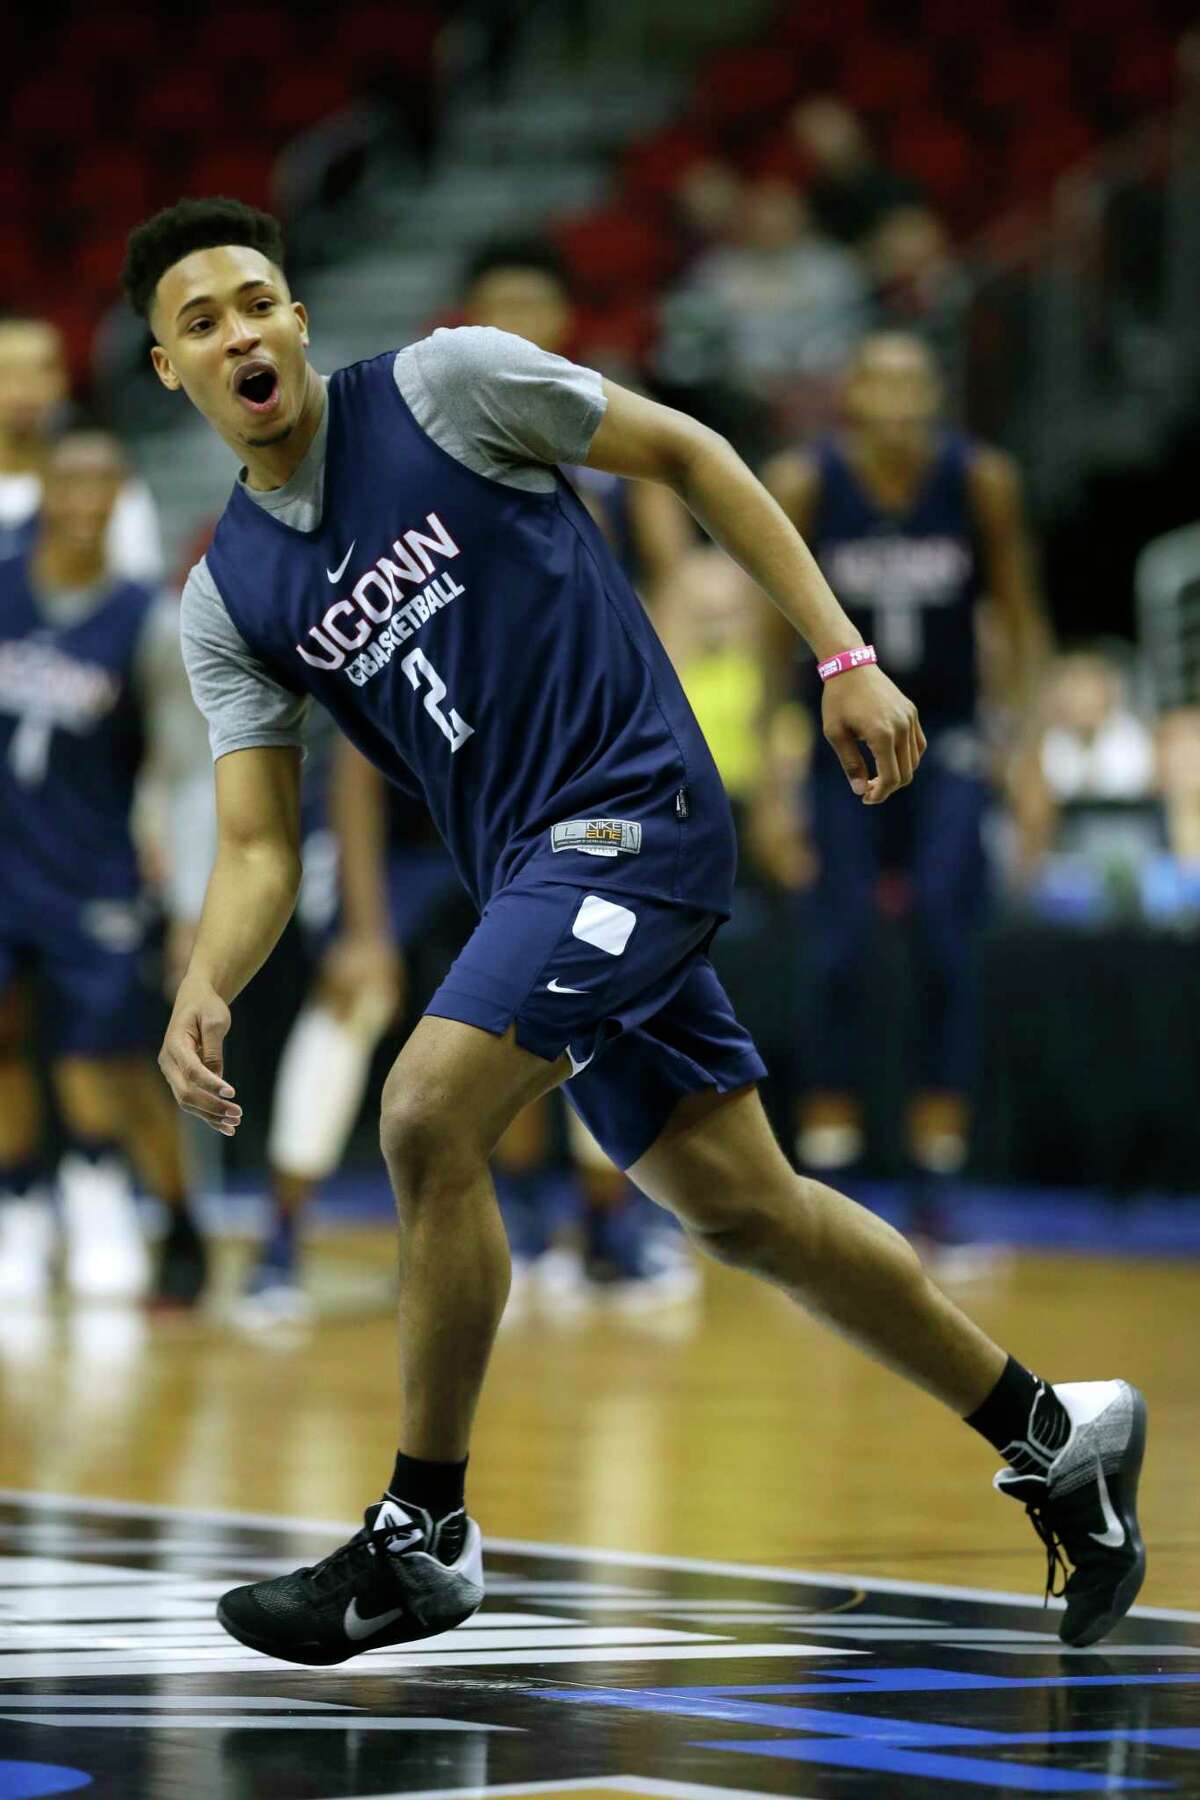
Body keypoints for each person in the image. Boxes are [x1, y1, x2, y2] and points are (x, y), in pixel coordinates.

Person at [127, 196, 1144, 1662]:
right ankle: (1061, 1437)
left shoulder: (447, 382)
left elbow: (692, 453)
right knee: (747, 1208)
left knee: (424, 1113)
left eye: (260, 301)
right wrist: (206, 977)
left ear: (298, 318)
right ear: (171, 369)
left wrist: (841, 654)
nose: (243, 333)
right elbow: (258, 841)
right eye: (204, 321)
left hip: (638, 814)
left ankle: (424, 1532)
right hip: (531, 873)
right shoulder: (230, 593)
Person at [462, 234, 695, 1296]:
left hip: (619, 758)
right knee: (511, 997)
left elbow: (677, 582)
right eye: (495, 308)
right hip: (504, 768)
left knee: (610, 1001)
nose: (515, 328)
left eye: (532, 308)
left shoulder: (605, 433)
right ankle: (532, 1218)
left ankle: (612, 1223)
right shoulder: (449, 449)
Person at [765, 333, 1049, 1176]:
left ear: (937, 393)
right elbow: (762, 639)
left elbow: (1023, 620)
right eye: (877, 381)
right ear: (847, 393)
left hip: (949, 738)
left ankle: (940, 1154)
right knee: (836, 943)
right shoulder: (805, 481)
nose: (895, 397)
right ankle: (829, 1144)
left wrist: (1029, 756)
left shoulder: (980, 479)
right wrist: (774, 781)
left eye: (912, 380)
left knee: (944, 933)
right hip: (839, 743)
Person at [0, 429, 210, 1305]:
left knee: (107, 1062)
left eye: (103, 482)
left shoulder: (145, 619)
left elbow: (185, 769)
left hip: (95, 873)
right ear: (42, 486)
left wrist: (195, 906)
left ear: (123, 493)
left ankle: (161, 1215)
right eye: (70, 480)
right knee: (4, 1042)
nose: (85, 500)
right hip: (7, 864)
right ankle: (19, 1205)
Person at [239, 731, 461, 1323]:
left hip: (490, 841)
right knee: (350, 1002)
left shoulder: (554, 646)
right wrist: (366, 931)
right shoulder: (406, 638)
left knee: (536, 1001)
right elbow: (355, 780)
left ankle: (567, 1231)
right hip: (378, 841)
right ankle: (280, 1242)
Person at [0, 317, 164, 580]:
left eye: (40, 371)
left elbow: (140, 588)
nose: (23, 389)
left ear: (63, 381)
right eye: (7, 373)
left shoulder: (111, 485)